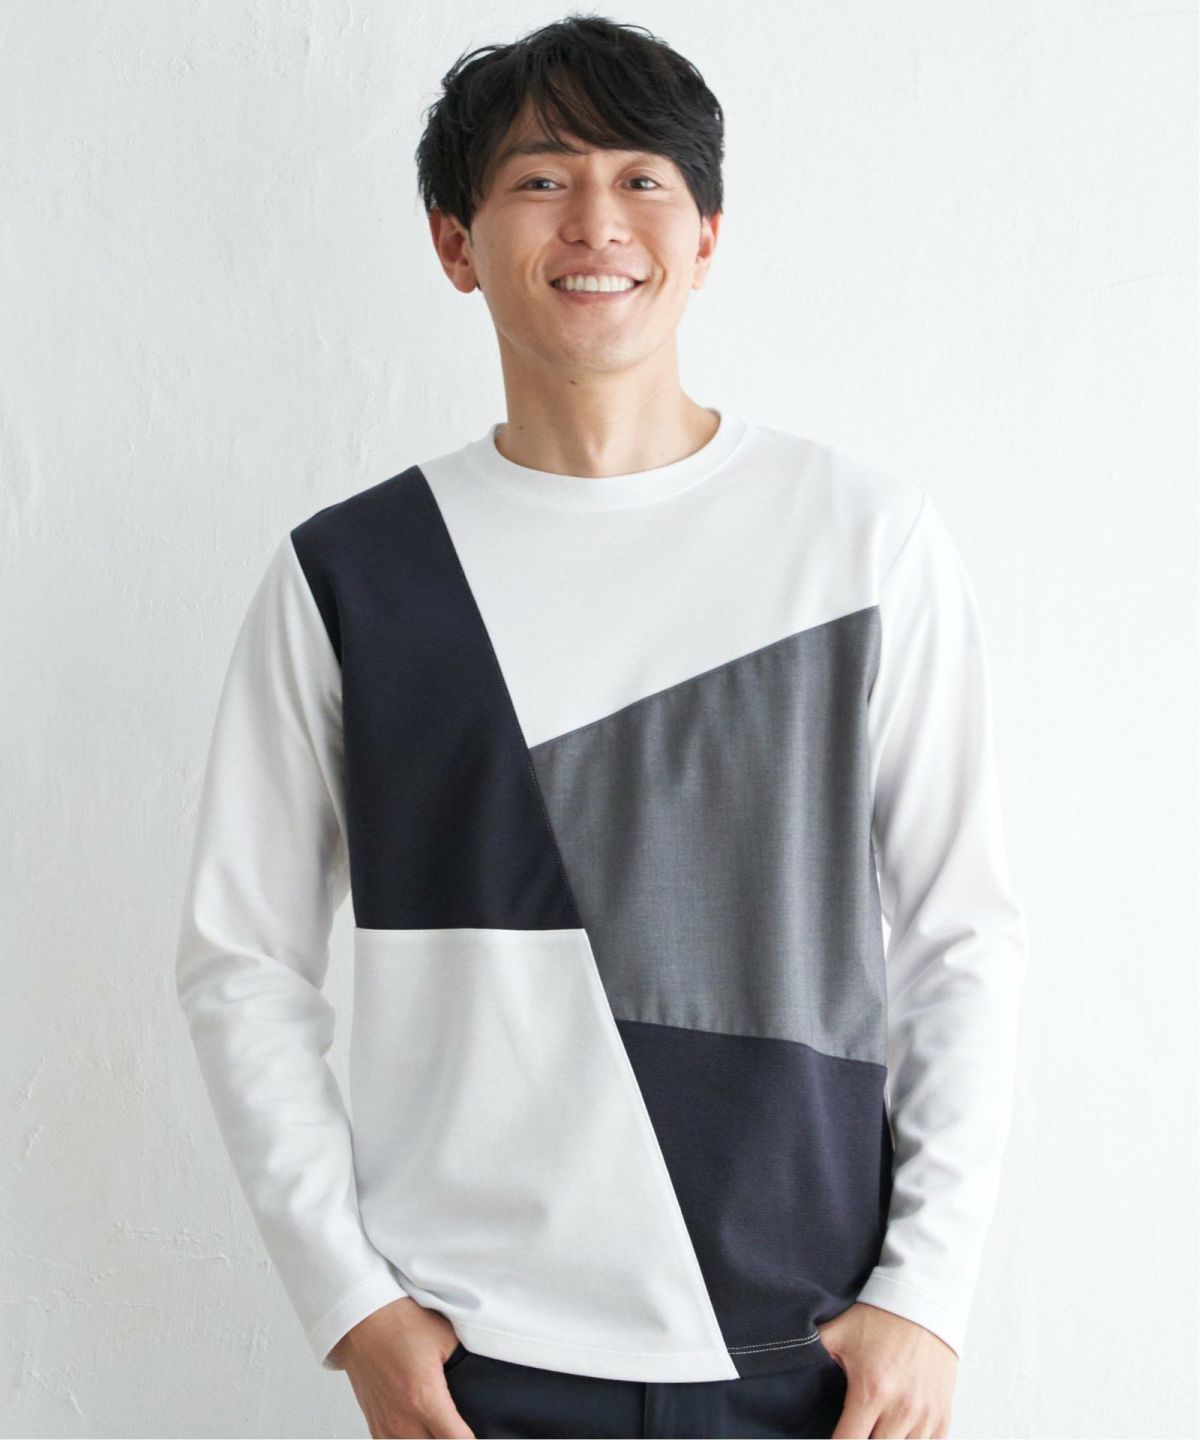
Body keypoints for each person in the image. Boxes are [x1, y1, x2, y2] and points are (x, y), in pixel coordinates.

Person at [174, 14, 1028, 1439]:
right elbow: (241, 960)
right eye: (540, 178)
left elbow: (962, 936)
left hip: (809, 1355)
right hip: (474, 1366)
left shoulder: (861, 541)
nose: (596, 220)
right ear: (455, 244)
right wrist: (353, 1307)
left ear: (706, 238)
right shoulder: (353, 574)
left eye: (643, 179)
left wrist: (928, 1295)